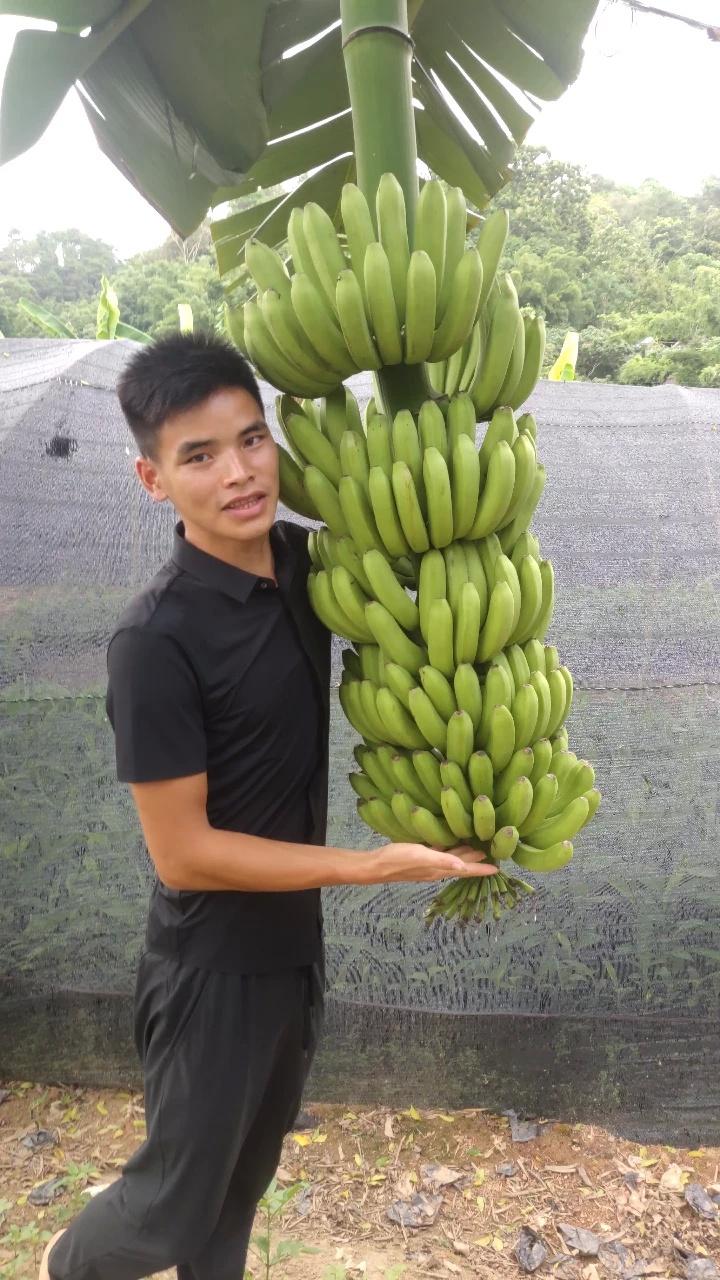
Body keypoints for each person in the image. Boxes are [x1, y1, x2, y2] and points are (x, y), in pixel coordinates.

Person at [41, 332, 495, 1280]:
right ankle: (61, 1265)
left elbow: (432, 598)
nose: (240, 474)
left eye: (252, 440)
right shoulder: (154, 639)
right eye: (198, 456)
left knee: (240, 1189)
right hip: (211, 968)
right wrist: (370, 867)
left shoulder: (310, 566)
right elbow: (184, 854)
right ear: (152, 477)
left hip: (292, 951)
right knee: (167, 1209)